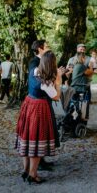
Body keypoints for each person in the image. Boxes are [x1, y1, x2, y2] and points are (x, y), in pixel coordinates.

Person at [15, 51, 64, 184]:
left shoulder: (34, 71)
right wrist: (58, 81)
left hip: (28, 103)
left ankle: (25, 170)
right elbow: (56, 97)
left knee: (27, 138)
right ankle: (33, 174)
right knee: (36, 141)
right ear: (52, 64)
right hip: (39, 109)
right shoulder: (46, 82)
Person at [28, 39, 56, 171]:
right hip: (39, 101)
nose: (48, 48)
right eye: (46, 46)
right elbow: (40, 80)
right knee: (38, 132)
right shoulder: (34, 63)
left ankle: (41, 160)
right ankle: (36, 165)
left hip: (44, 98)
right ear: (39, 48)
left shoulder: (42, 61)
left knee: (42, 132)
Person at [71, 52, 94, 122]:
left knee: (76, 106)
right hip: (79, 88)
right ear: (82, 58)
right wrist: (91, 66)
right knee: (83, 106)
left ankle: (76, 121)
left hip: (74, 88)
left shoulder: (76, 65)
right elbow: (90, 72)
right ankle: (82, 120)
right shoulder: (81, 66)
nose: (85, 60)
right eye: (85, 58)